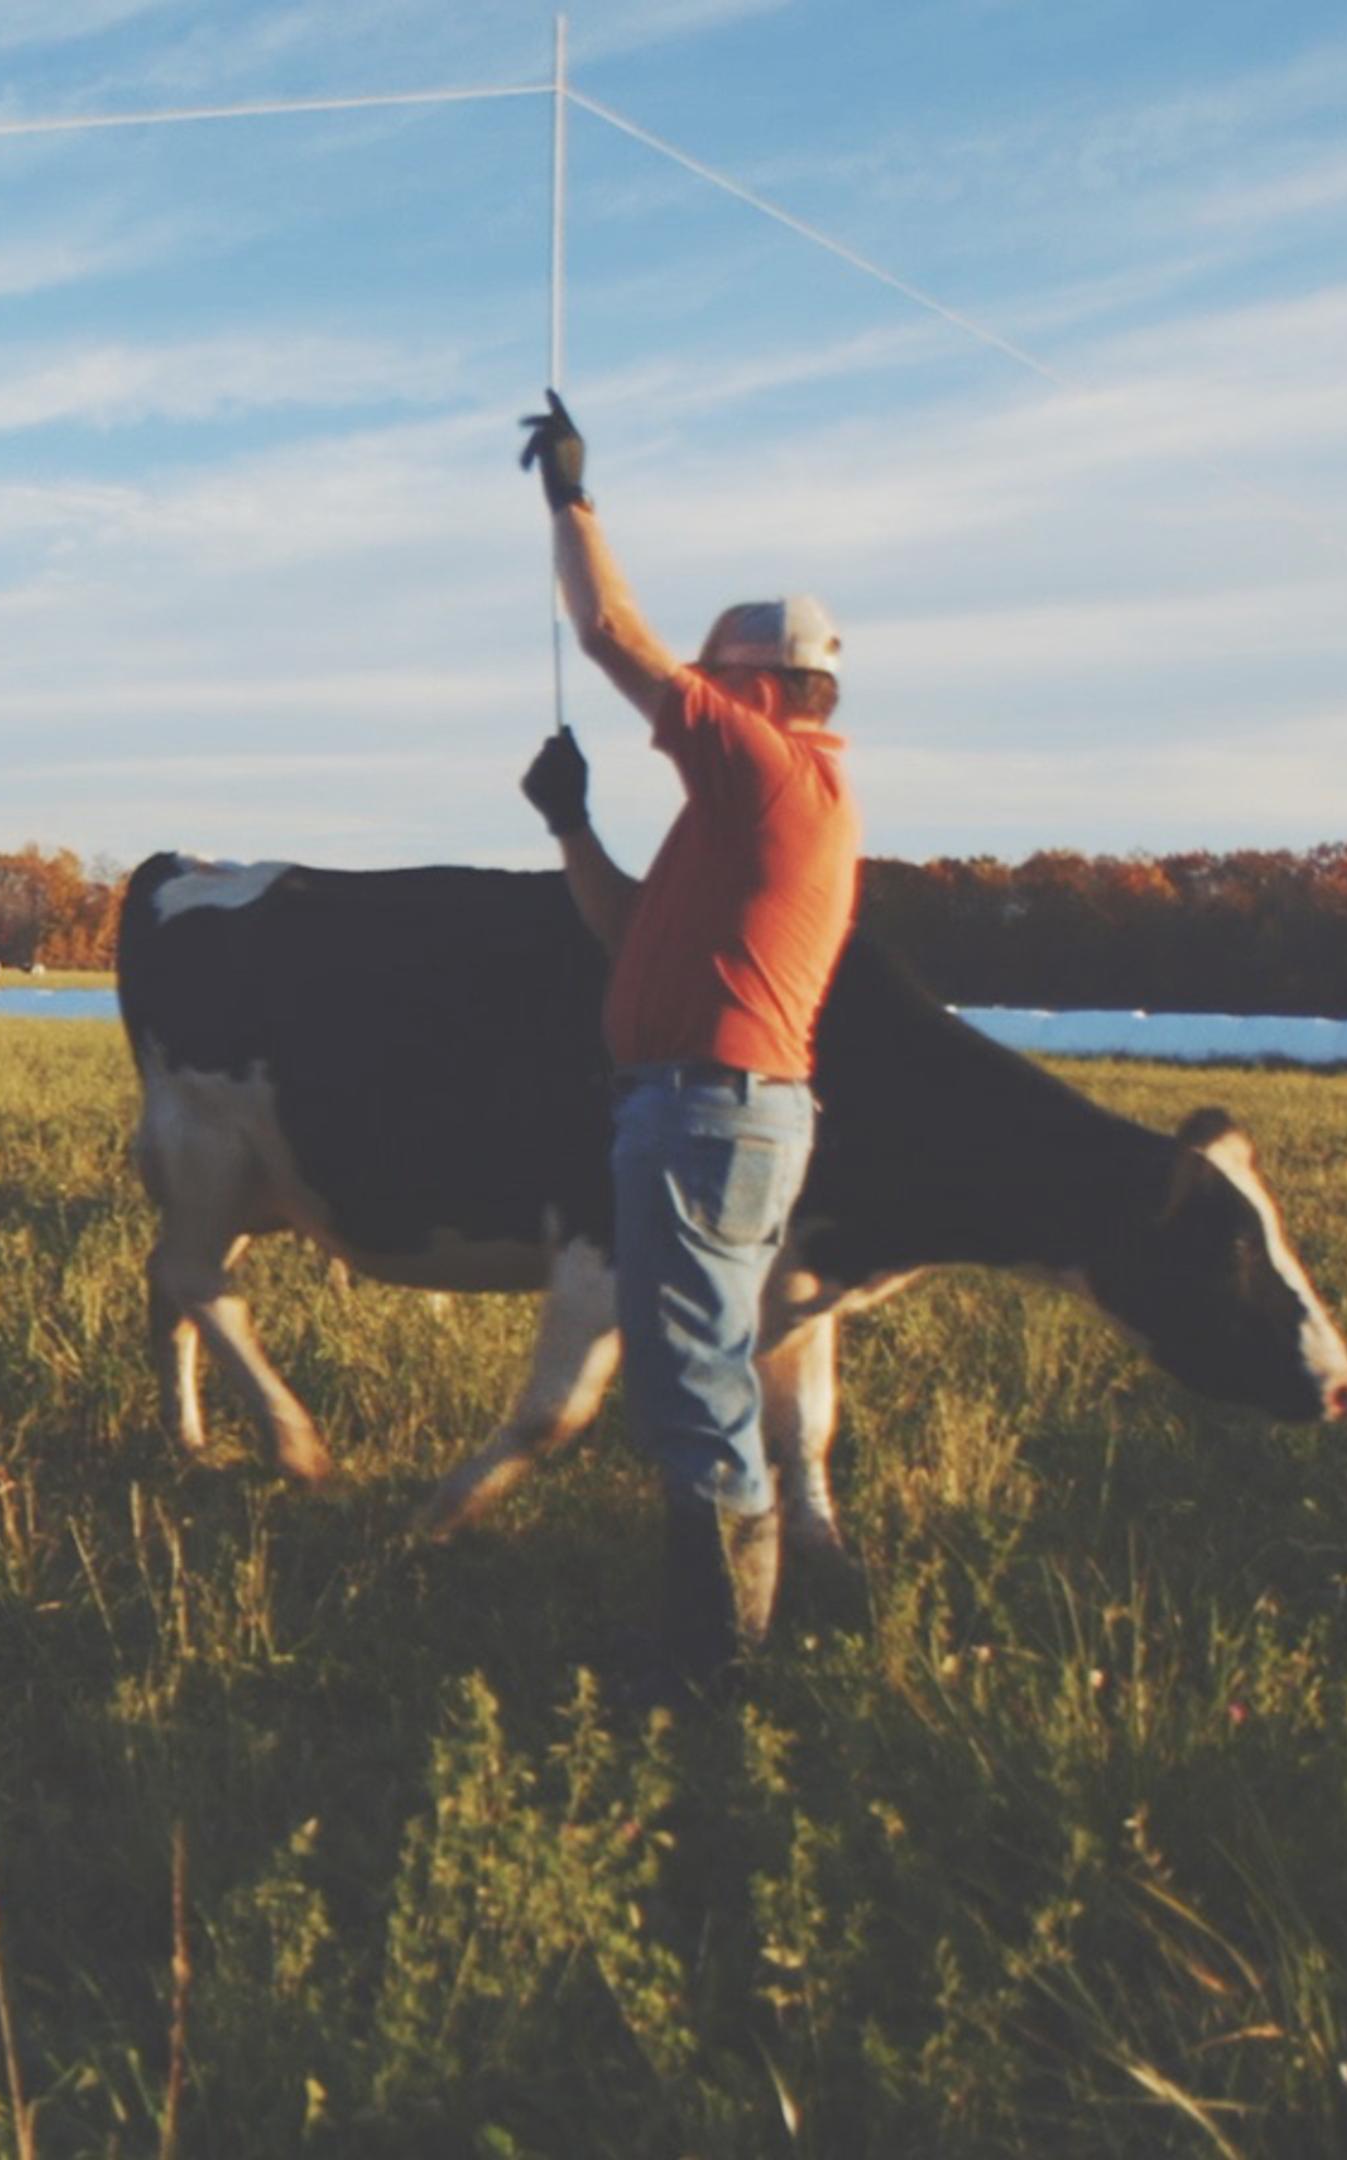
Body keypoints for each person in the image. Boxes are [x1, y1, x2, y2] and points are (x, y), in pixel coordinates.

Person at [514, 392, 862, 1701]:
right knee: (692, 1369)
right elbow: (623, 933)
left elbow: (610, 634)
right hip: (707, 1109)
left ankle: (715, 1661)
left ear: (764, 689)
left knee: (698, 1382)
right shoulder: (739, 822)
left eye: (716, 687)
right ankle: (715, 1639)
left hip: (707, 1115)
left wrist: (568, 499)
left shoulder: (771, 773)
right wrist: (573, 827)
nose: (698, 704)